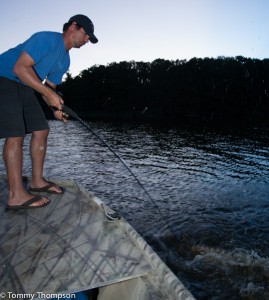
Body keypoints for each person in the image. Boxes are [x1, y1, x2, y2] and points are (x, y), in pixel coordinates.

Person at [0, 14, 98, 210]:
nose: (88, 40)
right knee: (16, 133)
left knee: (41, 129)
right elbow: (20, 68)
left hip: (24, 84)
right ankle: (16, 195)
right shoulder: (46, 39)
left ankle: (37, 182)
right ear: (73, 27)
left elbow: (49, 89)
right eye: (86, 34)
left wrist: (55, 108)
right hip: (4, 77)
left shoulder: (65, 60)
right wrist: (47, 93)